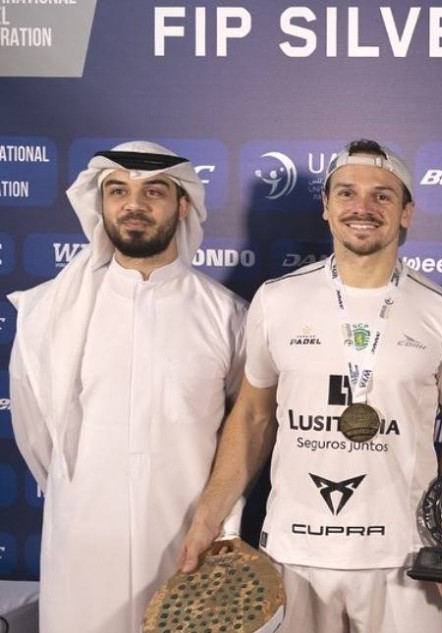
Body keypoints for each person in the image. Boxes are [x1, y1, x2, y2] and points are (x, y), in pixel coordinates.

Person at [179, 139, 442, 632]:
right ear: (326, 206)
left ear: (406, 212)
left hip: (404, 557)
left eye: (382, 196)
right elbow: (253, 418)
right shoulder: (276, 300)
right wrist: (207, 517)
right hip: (293, 554)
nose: (363, 207)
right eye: (347, 193)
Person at [7, 141, 247, 633]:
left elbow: (244, 431)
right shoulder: (49, 314)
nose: (133, 204)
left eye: (153, 192)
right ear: (100, 204)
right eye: (117, 191)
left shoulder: (227, 315)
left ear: (183, 205)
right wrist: (83, 495)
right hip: (83, 548)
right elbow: (38, 440)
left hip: (188, 546)